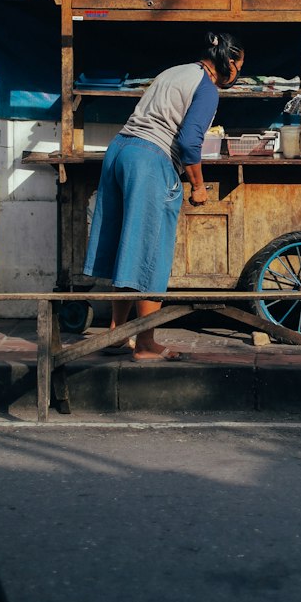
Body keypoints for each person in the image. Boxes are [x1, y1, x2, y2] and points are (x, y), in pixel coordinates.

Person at [83, 30, 245, 360]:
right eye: (239, 67)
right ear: (228, 62)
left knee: (127, 246)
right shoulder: (207, 89)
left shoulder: (176, 71)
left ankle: (117, 332)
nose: (238, 74)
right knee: (150, 250)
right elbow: (188, 143)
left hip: (119, 151)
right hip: (150, 159)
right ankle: (144, 344)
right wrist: (198, 186)